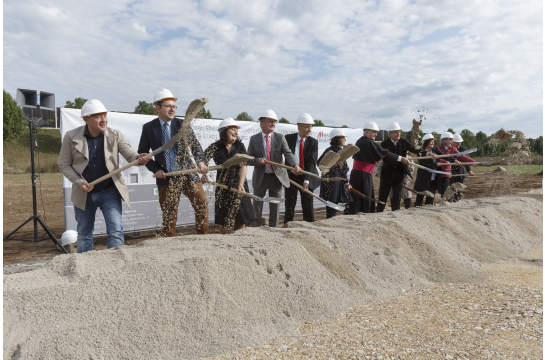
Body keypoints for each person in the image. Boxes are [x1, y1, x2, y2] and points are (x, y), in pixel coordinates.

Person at [58, 99, 150, 253]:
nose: (103, 119)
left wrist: (138, 159)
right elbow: (63, 164)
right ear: (86, 119)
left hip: (109, 191)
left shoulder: (116, 135)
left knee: (115, 231)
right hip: (83, 193)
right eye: (98, 116)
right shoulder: (71, 136)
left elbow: (130, 155)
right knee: (84, 235)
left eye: (105, 115)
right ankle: (84, 267)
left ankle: (115, 266)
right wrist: (79, 181)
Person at [137, 89, 209, 237]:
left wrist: (200, 162)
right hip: (166, 177)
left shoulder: (183, 125)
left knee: (202, 204)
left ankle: (203, 238)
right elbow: (143, 155)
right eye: (168, 106)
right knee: (169, 215)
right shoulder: (149, 128)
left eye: (174, 106)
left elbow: (195, 146)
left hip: (187, 174)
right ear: (158, 108)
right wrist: (155, 169)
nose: (172, 109)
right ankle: (169, 244)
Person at [246, 109, 301, 227]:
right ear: (262, 123)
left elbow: (288, 153)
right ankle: (255, 230)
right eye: (270, 121)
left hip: (277, 178)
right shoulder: (254, 139)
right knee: (257, 206)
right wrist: (258, 161)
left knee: (275, 208)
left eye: (274, 122)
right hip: (260, 178)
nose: (273, 124)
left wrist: (294, 165)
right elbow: (248, 159)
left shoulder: (280, 138)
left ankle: (273, 230)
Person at [204, 118, 254, 234]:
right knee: (225, 221)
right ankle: (225, 245)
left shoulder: (240, 146)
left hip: (239, 185)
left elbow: (243, 166)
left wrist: (241, 184)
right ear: (223, 131)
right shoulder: (215, 147)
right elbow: (203, 159)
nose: (236, 132)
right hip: (223, 187)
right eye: (233, 129)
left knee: (241, 218)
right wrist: (204, 173)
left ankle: (239, 243)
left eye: (236, 130)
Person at [348, 121, 410, 214]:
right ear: (366, 132)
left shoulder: (363, 141)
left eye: (376, 132)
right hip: (362, 175)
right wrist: (400, 158)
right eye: (373, 132)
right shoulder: (367, 142)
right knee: (364, 197)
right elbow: (383, 152)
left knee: (362, 197)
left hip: (361, 174)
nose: (376, 134)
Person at [283, 113, 319, 224]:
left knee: (308, 204)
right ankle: (287, 225)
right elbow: (285, 156)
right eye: (307, 127)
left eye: (310, 127)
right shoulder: (288, 139)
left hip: (306, 176)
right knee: (290, 204)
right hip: (291, 177)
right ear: (299, 127)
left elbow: (312, 163)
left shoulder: (313, 142)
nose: (309, 129)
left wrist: (306, 180)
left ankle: (309, 226)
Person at [376, 122, 418, 212]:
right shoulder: (384, 144)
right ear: (390, 134)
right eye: (395, 132)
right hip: (387, 175)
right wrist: (401, 159)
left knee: (397, 198)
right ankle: (378, 213)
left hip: (399, 175)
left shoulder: (404, 142)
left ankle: (395, 215)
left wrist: (426, 153)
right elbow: (386, 159)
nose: (398, 133)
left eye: (399, 131)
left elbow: (415, 149)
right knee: (382, 197)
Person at [317, 128, 352, 218]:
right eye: (343, 137)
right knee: (334, 205)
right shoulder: (340, 152)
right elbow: (343, 169)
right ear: (338, 138)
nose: (345, 139)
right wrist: (347, 182)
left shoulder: (328, 150)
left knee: (330, 205)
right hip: (335, 182)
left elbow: (319, 163)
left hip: (327, 181)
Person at [435, 132, 476, 197]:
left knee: (449, 192)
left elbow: (462, 156)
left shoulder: (453, 149)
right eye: (450, 140)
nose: (451, 142)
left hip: (448, 173)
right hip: (439, 173)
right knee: (441, 191)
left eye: (452, 140)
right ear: (444, 140)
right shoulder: (437, 148)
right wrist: (444, 162)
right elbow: (437, 158)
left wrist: (473, 162)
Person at [413, 134, 448, 207]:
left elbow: (444, 156)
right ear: (425, 142)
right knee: (420, 198)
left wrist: (455, 160)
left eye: (433, 141)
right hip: (423, 179)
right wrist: (435, 165)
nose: (432, 142)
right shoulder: (421, 152)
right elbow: (423, 165)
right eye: (430, 141)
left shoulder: (435, 150)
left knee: (430, 199)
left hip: (433, 179)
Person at [450, 134, 473, 202]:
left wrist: (469, 170)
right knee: (450, 190)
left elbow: (465, 160)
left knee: (459, 190)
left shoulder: (462, 149)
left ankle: (457, 202)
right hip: (450, 172)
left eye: (460, 142)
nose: (459, 144)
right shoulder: (448, 149)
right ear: (452, 142)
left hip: (460, 172)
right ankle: (449, 203)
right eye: (457, 142)